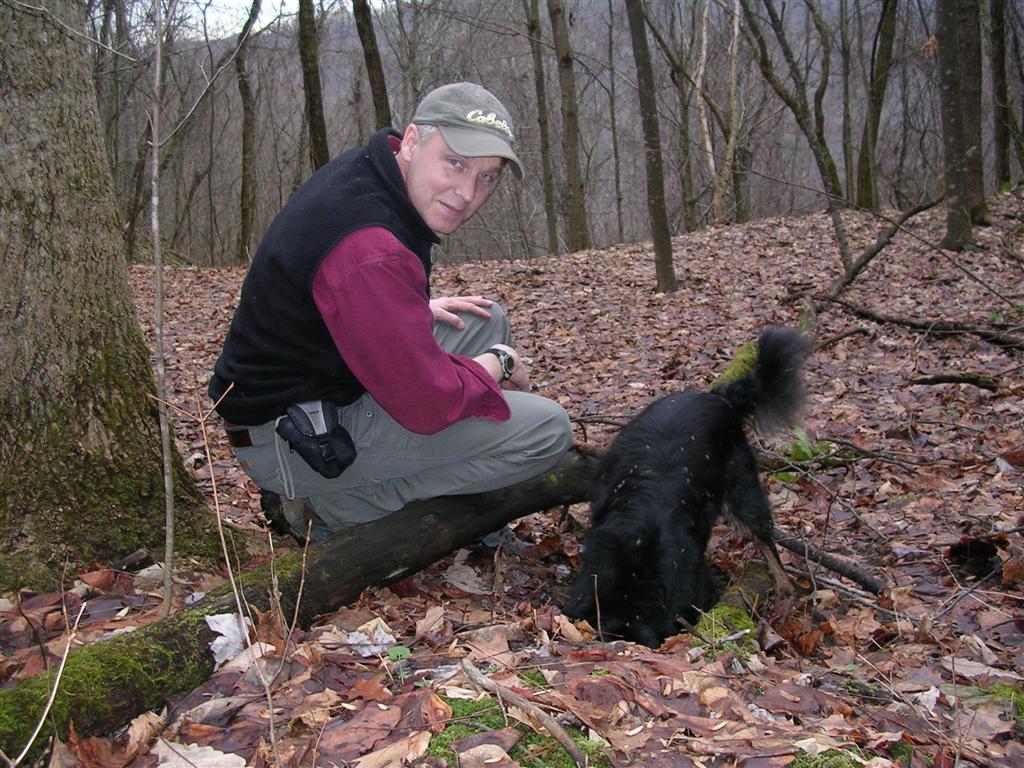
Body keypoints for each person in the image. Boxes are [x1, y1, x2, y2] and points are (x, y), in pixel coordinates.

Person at [208, 82, 572, 533]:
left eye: (486, 177)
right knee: (549, 430)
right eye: (455, 163)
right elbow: (429, 403)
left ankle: (381, 489)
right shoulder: (370, 248)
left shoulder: (373, 172)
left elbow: (341, 287)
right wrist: (501, 362)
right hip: (293, 437)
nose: (466, 192)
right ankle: (349, 505)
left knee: (485, 319)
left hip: (323, 387)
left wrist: (402, 309)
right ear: (414, 141)